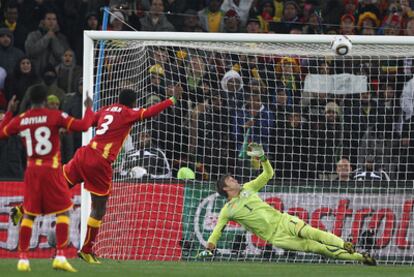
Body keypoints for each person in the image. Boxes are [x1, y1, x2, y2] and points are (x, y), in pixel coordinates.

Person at [197, 143, 376, 266]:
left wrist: (263, 158)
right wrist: (209, 249)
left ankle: (345, 244)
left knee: (311, 232)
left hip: (283, 220)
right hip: (276, 238)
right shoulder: (227, 210)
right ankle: (360, 258)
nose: (234, 179)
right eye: (230, 179)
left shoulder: (248, 188)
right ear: (226, 188)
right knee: (316, 248)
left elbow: (268, 174)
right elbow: (216, 231)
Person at [63, 88, 181, 264]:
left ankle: (23, 208)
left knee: (57, 187)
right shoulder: (127, 113)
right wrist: (172, 100)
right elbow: (149, 112)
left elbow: (88, 122)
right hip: (99, 161)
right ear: (133, 103)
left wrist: (85, 111)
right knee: (99, 208)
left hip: (83, 153)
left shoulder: (106, 109)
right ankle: (86, 250)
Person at [0, 85, 94, 272]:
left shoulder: (22, 119)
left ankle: (23, 258)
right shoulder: (54, 115)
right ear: (45, 99)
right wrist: (89, 108)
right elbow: (84, 126)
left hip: (32, 170)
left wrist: (10, 113)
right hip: (51, 169)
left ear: (30, 99)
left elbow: (1, 133)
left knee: (29, 213)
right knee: (63, 212)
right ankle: (60, 255)